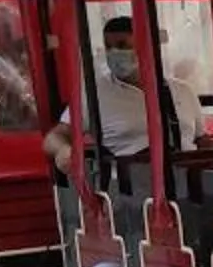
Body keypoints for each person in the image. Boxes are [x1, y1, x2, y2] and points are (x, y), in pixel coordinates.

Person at [44, 15, 155, 172]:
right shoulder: (94, 94)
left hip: (186, 177)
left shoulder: (179, 89)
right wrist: (63, 150)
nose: (114, 52)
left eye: (122, 45)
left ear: (145, 47)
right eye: (108, 47)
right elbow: (54, 136)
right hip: (134, 181)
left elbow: (194, 137)